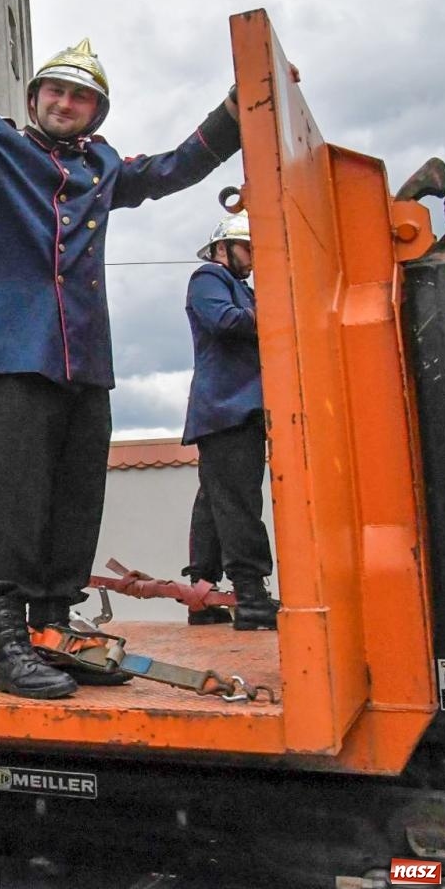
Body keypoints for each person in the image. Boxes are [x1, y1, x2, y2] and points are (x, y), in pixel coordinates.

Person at [0, 0, 243, 699]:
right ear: (36, 100)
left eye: (82, 96)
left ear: (97, 112)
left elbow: (175, 168)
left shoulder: (106, 166)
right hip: (9, 354)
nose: (66, 103)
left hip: (85, 358)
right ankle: (8, 647)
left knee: (76, 501)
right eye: (56, 91)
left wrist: (236, 113)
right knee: (18, 504)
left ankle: (56, 635)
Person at [182, 212, 277, 631]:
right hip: (229, 408)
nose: (254, 259)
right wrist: (279, 313)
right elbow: (223, 320)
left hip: (230, 408)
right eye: (248, 249)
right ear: (224, 249)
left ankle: (203, 593)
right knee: (239, 499)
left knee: (216, 500)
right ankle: (251, 594)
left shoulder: (243, 289)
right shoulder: (209, 278)